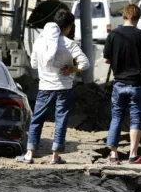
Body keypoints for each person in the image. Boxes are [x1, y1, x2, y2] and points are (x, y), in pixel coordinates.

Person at [17, 9, 90, 165]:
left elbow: (34, 65)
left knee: (37, 119)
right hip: (64, 88)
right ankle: (55, 156)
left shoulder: (39, 42)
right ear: (68, 27)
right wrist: (72, 69)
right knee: (61, 120)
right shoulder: (70, 44)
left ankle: (29, 154)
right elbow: (85, 64)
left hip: (44, 87)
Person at [103, 4, 141, 165]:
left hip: (119, 83)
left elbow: (106, 59)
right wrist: (139, 65)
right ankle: (133, 155)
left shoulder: (113, 35)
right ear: (137, 19)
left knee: (117, 116)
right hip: (137, 84)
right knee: (135, 118)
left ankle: (113, 155)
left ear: (124, 16)